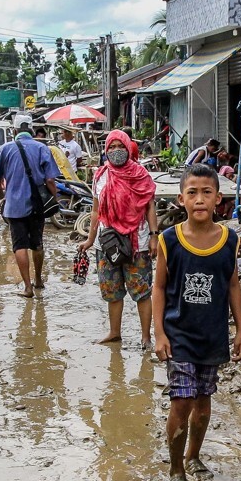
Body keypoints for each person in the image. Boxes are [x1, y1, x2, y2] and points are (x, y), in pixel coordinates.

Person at [152, 164, 241, 481]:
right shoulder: (169, 240)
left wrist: (240, 329)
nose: (200, 199)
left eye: (207, 192)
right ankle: (176, 471)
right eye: (192, 192)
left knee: (203, 405)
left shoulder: (229, 240)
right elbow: (159, 288)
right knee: (182, 401)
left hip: (213, 335)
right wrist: (159, 333)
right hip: (179, 336)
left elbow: (233, 284)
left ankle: (193, 456)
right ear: (181, 199)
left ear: (218, 199)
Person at [79, 130, 158, 348]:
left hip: (138, 242)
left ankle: (146, 337)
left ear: (128, 147)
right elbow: (95, 211)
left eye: (120, 146)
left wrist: (153, 236)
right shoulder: (100, 175)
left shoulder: (141, 174)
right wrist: (89, 239)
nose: (116, 151)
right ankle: (115, 332)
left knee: (141, 291)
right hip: (107, 243)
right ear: (105, 151)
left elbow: (150, 207)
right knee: (112, 290)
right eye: (111, 147)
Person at [0, 128, 59, 298]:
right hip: (37, 205)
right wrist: (54, 199)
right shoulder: (42, 148)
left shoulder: (5, 149)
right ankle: (38, 279)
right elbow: (50, 179)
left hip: (14, 206)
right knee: (37, 243)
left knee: (19, 246)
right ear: (31, 133)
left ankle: (27, 288)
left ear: (15, 133)